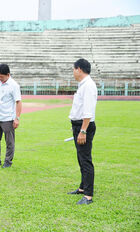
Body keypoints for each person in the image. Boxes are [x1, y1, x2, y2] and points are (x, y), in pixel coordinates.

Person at [68, 58, 97, 205]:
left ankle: (88, 196)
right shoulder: (83, 85)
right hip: (79, 125)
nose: (73, 72)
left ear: (79, 69)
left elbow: (88, 111)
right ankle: (82, 187)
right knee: (81, 158)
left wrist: (83, 131)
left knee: (85, 160)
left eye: (73, 69)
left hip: (83, 126)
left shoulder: (88, 86)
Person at [0, 64, 22, 168]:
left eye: (1, 76)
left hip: (7, 118)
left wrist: (17, 118)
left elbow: (18, 102)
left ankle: (8, 162)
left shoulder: (14, 85)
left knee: (9, 142)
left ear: (8, 75)